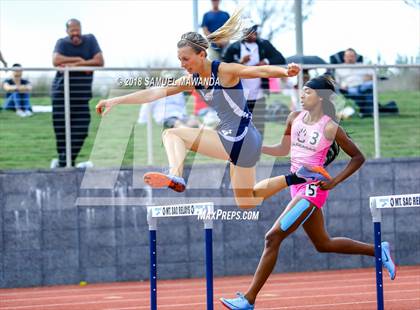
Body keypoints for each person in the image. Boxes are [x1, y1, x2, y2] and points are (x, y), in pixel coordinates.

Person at [96, 10, 330, 210]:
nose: (182, 65)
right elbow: (153, 93)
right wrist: (115, 101)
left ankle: (176, 174)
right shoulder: (192, 80)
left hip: (239, 137)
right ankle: (299, 175)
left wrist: (285, 71)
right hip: (244, 140)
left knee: (172, 134)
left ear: (201, 54)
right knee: (247, 202)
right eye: (179, 59)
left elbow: (256, 72)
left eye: (186, 59)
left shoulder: (224, 71)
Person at [220, 76, 396, 309]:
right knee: (323, 243)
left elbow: (358, 157)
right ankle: (378, 250)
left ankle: (248, 300)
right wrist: (256, 146)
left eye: (307, 92)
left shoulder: (331, 126)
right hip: (296, 186)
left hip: (312, 190)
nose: (302, 96)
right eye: (301, 92)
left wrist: (334, 182)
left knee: (272, 237)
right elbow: (283, 149)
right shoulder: (294, 118)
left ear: (321, 97)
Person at [50, 18, 104, 168]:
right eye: (72, 30)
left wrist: (75, 64)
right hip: (61, 94)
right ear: (67, 31)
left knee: (81, 130)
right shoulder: (61, 43)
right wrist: (81, 59)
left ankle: (61, 163)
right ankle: (67, 165)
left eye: (77, 29)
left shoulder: (90, 40)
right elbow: (56, 60)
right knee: (61, 133)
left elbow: (99, 60)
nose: (75, 33)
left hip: (82, 96)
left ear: (81, 29)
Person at [222, 24, 286, 138]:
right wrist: (241, 62)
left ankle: (257, 152)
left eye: (255, 30)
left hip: (259, 94)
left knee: (259, 127)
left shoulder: (263, 45)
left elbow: (280, 58)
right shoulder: (234, 48)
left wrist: (265, 61)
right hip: (239, 94)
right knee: (240, 127)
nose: (254, 33)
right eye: (250, 31)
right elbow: (223, 67)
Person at [335, 48, 398, 118]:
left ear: (355, 57)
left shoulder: (363, 66)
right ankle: (369, 111)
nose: (350, 58)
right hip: (349, 88)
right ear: (344, 57)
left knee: (370, 85)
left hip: (363, 85)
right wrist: (341, 87)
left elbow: (374, 75)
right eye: (347, 56)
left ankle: (367, 111)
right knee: (367, 92)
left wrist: (370, 77)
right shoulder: (339, 68)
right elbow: (337, 83)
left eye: (352, 56)